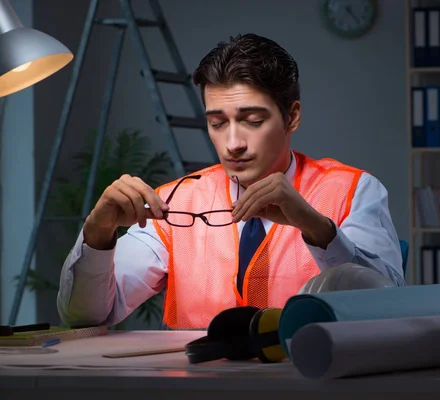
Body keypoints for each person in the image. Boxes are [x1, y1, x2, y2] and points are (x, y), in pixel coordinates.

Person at [57, 33, 406, 329]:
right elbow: (86, 316)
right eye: (217, 122)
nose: (233, 142)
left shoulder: (351, 190)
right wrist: (97, 234)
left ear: (292, 117)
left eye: (252, 120)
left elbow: (387, 309)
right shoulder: (174, 205)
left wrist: (316, 227)